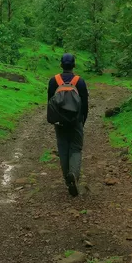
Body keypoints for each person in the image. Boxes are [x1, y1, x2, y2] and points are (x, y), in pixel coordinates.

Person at [47, 53, 89, 197]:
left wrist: (54, 120)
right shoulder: (80, 81)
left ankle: (68, 180)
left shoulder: (54, 81)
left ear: (61, 65)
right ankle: (73, 175)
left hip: (60, 123)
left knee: (63, 149)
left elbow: (50, 103)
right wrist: (82, 122)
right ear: (74, 65)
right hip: (76, 121)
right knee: (76, 149)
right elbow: (85, 106)